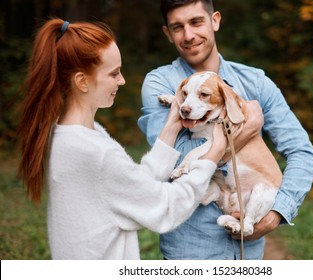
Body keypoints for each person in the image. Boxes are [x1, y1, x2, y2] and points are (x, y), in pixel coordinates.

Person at [17, 18, 228, 260]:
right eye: (114, 73)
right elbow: (165, 208)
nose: (122, 81)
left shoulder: (72, 133)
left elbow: (132, 187)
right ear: (82, 81)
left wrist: (170, 128)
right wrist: (213, 153)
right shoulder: (94, 152)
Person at [137, 0, 313, 260]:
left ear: (215, 21)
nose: (188, 36)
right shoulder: (160, 83)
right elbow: (171, 162)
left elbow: (302, 151)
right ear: (167, 33)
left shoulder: (255, 82)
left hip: (248, 256)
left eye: (196, 22)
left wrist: (276, 213)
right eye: (177, 27)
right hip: (189, 254)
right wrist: (247, 130)